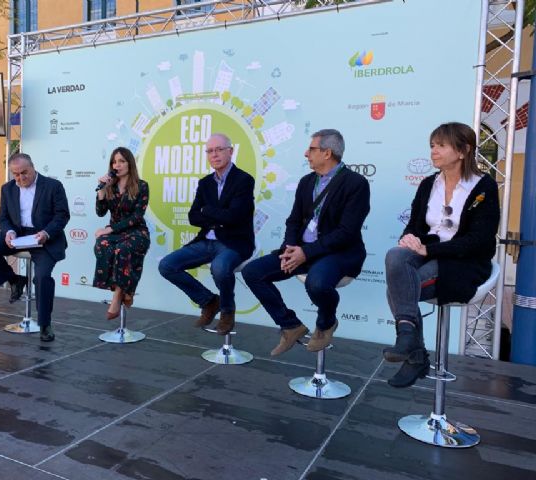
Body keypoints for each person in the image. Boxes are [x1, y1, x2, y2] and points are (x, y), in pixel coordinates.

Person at [383, 122, 500, 388]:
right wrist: (409, 238)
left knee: (398, 289)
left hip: (463, 261)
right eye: (432, 145)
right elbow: (414, 224)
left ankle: (414, 353)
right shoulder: (428, 184)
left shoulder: (484, 187)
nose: (433, 151)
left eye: (441, 145)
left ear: (463, 151)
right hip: (429, 250)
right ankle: (408, 337)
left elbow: (478, 241)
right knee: (395, 255)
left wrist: (429, 250)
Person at [243, 129, 370, 356]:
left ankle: (326, 323)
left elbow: (346, 233)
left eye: (311, 149)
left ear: (327, 153)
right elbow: (293, 221)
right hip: (302, 250)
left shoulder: (356, 183)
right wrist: (289, 248)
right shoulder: (306, 182)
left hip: (338, 253)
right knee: (252, 272)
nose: (305, 153)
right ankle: (290, 326)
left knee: (317, 283)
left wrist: (305, 253)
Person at [158, 133, 255, 335]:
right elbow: (193, 217)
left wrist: (208, 211)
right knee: (167, 265)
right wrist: (218, 217)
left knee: (219, 267)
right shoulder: (205, 183)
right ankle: (209, 301)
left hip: (233, 242)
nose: (214, 155)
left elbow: (235, 217)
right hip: (206, 240)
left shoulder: (244, 180)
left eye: (219, 149)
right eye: (210, 151)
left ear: (231, 151)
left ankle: (227, 310)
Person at [0, 152, 70, 342]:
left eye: (24, 173)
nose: (20, 178)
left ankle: (45, 324)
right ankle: (15, 280)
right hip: (18, 234)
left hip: (44, 237)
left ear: (33, 168)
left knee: (42, 277)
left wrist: (46, 233)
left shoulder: (53, 186)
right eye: (16, 174)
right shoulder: (7, 189)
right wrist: (9, 232)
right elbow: (3, 218)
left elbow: (62, 215)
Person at [94, 147, 150, 318]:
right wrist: (102, 190)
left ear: (129, 164)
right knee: (101, 244)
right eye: (114, 162)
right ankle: (128, 291)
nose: (117, 165)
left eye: (121, 161)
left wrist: (110, 229)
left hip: (137, 232)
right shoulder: (110, 186)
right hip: (116, 233)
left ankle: (117, 296)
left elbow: (137, 217)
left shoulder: (141, 186)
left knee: (123, 249)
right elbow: (100, 212)